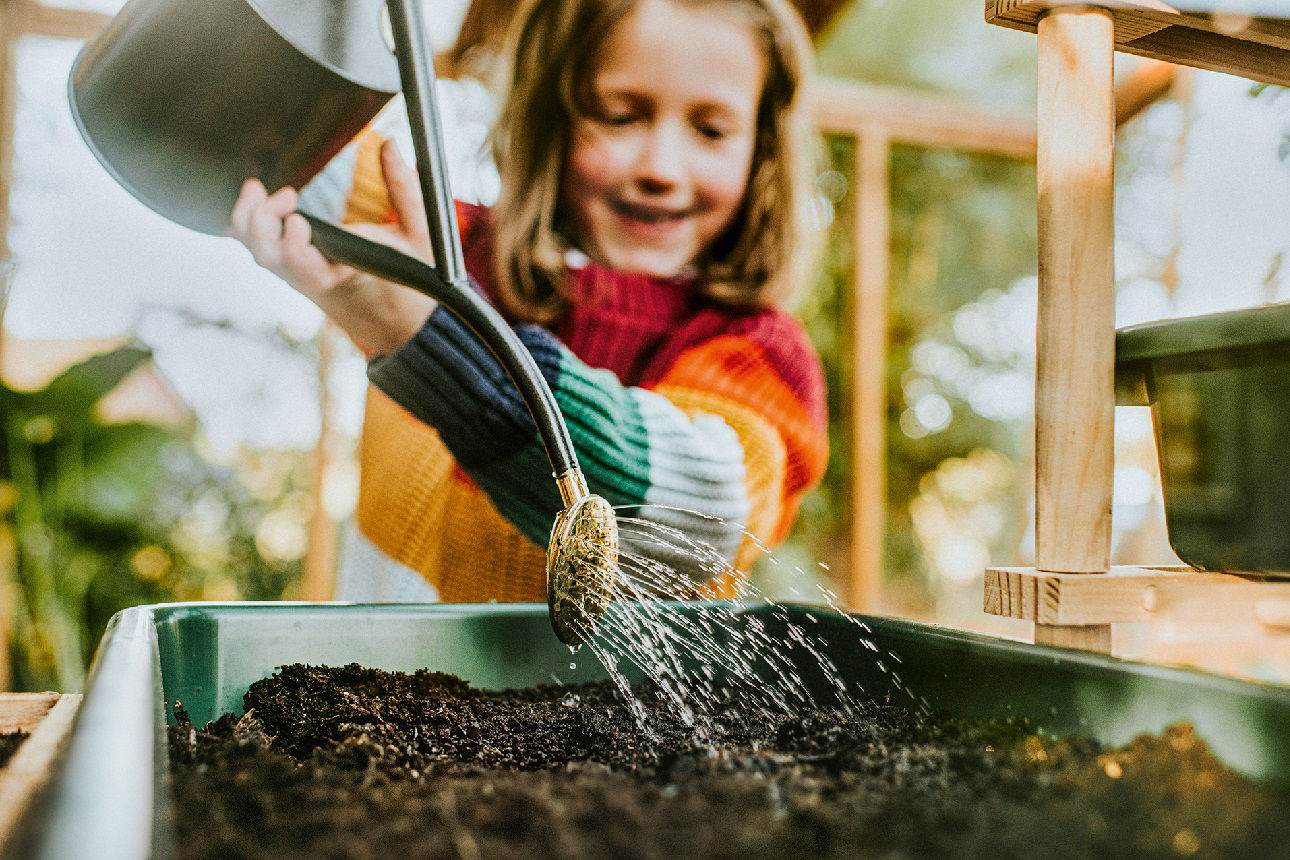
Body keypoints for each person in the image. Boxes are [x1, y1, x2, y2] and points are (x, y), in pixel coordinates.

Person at [229, 0, 829, 604]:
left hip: (590, 701)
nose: (661, 169)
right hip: (366, 686)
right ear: (548, 119)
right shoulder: (443, 245)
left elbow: (700, 517)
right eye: (619, 116)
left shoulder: (759, 355)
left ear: (763, 153)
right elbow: (264, 128)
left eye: (711, 130)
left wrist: (434, 340)